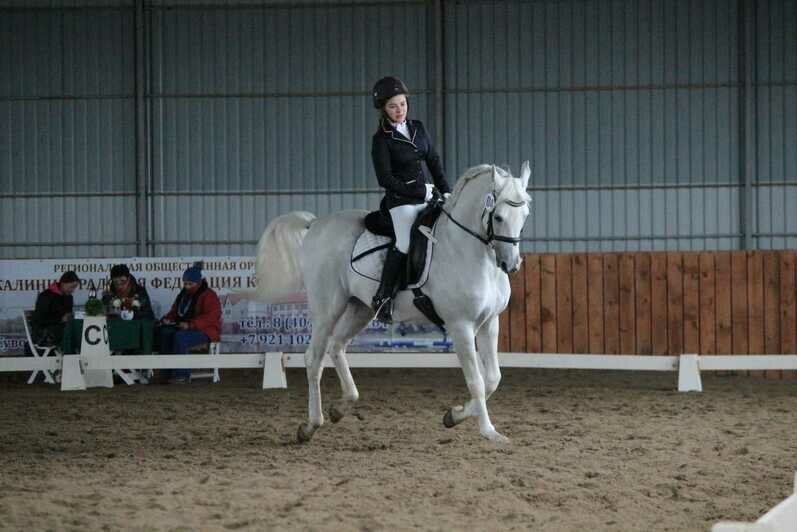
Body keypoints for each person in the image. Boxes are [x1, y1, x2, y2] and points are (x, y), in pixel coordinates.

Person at [370, 76, 452, 322]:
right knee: (405, 242)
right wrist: (419, 192)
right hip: (401, 202)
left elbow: (434, 162)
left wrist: (446, 191)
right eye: (393, 106)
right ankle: (383, 297)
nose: (399, 110)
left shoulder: (418, 127)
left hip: (429, 195)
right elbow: (385, 179)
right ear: (384, 109)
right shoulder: (381, 140)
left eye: (402, 104)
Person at [157, 266, 221, 384]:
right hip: (184, 327)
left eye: (190, 284)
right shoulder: (183, 295)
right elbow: (174, 312)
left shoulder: (209, 295)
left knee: (181, 337)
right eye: (185, 283)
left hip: (206, 331)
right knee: (165, 333)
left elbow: (212, 317)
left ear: (199, 282)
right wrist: (166, 319)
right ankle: (166, 372)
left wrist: (191, 324)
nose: (187, 287)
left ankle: (182, 375)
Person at [31, 271, 80, 346]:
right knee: (70, 332)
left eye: (74, 288)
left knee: (78, 329)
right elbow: (39, 319)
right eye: (71, 287)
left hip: (61, 328)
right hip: (43, 333)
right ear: (63, 283)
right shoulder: (46, 296)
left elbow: (67, 315)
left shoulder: (69, 297)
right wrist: (60, 319)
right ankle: (70, 354)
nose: (72, 290)